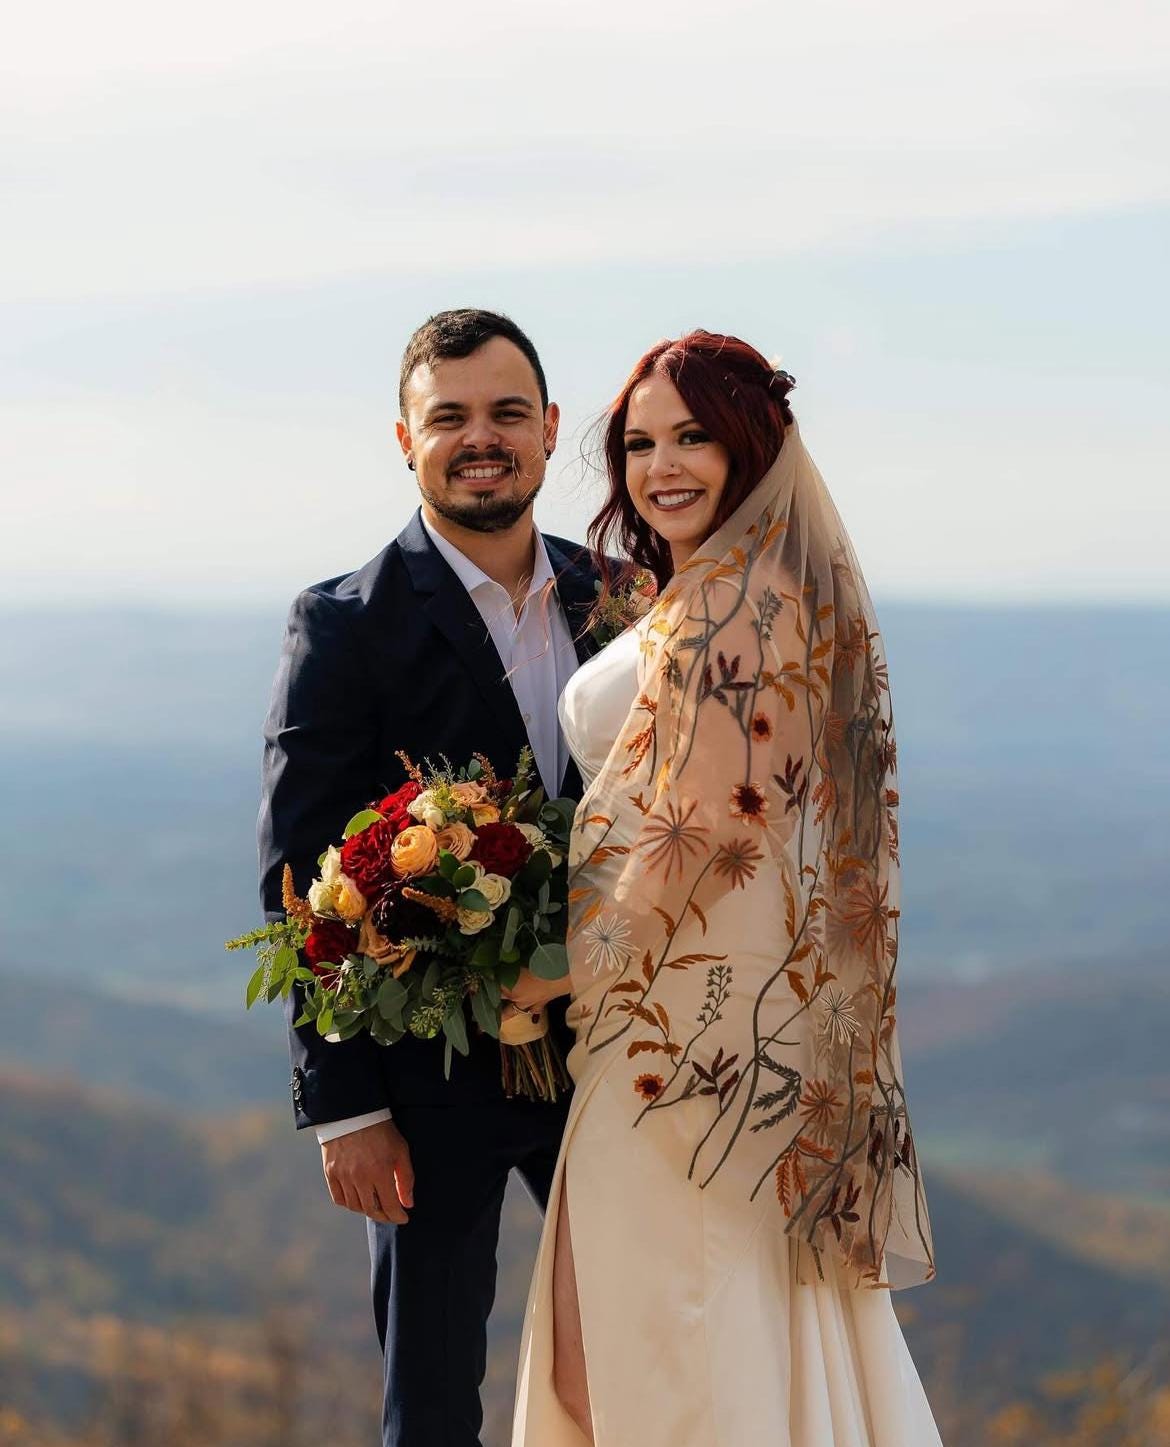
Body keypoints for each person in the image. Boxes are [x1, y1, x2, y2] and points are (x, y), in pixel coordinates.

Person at [505, 332, 943, 1445]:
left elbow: (700, 831)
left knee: (651, 1348)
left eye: (691, 436)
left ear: (750, 445)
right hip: (673, 1015)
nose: (661, 465)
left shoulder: (751, 601)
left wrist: (550, 972)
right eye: (639, 443)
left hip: (687, 1025)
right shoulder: (710, 592)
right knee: (642, 1344)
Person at [257, 308, 600, 1446]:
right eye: (449, 417)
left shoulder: (624, 598)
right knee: (435, 1405)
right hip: (426, 1079)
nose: (481, 438)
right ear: (406, 441)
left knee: (651, 1355)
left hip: (614, 1060)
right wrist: (345, 1105)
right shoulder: (343, 624)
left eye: (507, 412)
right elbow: (300, 878)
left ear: (549, 429)